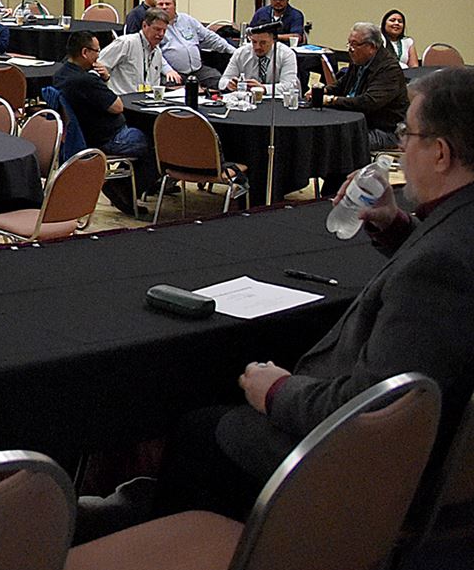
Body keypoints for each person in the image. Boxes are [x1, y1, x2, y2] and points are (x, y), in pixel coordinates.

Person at [82, 69, 474, 537]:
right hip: (411, 444)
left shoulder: (438, 270)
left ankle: (170, 544)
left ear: (442, 153)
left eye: (409, 134)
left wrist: (276, 391)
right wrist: (393, 224)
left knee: (202, 426)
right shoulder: (456, 227)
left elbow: (370, 410)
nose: (402, 146)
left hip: (356, 469)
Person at [52, 30, 151, 213]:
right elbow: (118, 106)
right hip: (108, 139)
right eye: (97, 51)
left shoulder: (61, 73)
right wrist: (105, 79)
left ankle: (123, 185)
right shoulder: (86, 80)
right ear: (85, 53)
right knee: (157, 145)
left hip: (86, 134)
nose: (99, 55)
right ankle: (124, 189)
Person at [321, 20, 408, 147]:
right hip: (355, 119)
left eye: (355, 44)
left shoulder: (389, 69)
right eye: (349, 43)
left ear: (372, 47)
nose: (350, 49)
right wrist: (324, 90)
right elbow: (342, 84)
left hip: (383, 130)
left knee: (336, 142)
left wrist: (331, 100)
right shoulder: (359, 60)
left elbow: (368, 102)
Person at [99, 10, 180, 92]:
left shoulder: (157, 52)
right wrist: (106, 78)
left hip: (146, 99)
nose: (161, 34)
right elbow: (99, 64)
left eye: (164, 30)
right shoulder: (126, 43)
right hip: (123, 99)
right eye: (157, 29)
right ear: (144, 25)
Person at [221, 22, 301, 99]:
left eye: (263, 43)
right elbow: (222, 82)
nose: (257, 47)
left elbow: (288, 86)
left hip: (277, 103)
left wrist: (263, 88)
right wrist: (229, 84)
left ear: (273, 40)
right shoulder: (240, 53)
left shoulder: (286, 54)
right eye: (254, 42)